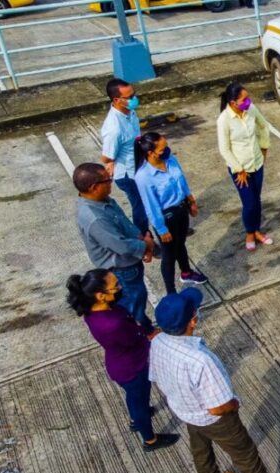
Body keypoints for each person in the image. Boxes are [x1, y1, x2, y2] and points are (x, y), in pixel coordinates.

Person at [149, 288, 280, 473]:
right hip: (215, 419)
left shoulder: (157, 342)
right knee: (245, 455)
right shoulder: (201, 360)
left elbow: (155, 376)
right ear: (193, 321)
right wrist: (234, 404)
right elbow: (218, 407)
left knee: (201, 453)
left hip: (186, 412)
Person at [65, 269, 179, 452]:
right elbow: (135, 337)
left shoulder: (93, 311)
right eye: (115, 286)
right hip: (133, 368)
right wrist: (149, 336)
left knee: (134, 399)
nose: (119, 288)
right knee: (140, 402)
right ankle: (150, 440)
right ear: (101, 295)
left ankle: (136, 420)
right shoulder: (112, 324)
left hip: (119, 365)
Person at [74, 162, 155, 330]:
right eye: (107, 180)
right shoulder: (95, 218)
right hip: (121, 270)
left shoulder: (103, 200)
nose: (111, 182)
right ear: (94, 187)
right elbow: (121, 246)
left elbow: (124, 223)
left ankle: (146, 327)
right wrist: (144, 245)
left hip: (131, 262)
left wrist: (143, 245)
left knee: (139, 298)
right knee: (133, 304)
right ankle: (144, 332)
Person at [134, 132, 207, 294]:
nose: (167, 151)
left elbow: (182, 180)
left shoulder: (170, 160)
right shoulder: (143, 176)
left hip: (181, 209)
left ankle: (186, 272)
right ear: (150, 153)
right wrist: (161, 229)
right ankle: (171, 292)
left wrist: (191, 201)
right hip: (167, 217)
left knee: (180, 243)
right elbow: (151, 206)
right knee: (168, 255)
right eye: (162, 149)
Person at [217, 82, 274, 252]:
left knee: (256, 200)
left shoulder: (251, 110)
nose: (248, 101)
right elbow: (224, 149)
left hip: (257, 163)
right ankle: (250, 232)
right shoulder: (224, 120)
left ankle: (256, 230)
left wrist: (264, 147)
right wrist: (238, 169)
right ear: (233, 102)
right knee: (249, 203)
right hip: (240, 170)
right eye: (244, 99)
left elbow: (264, 126)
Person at [101, 78, 150, 237]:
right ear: (117, 100)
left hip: (140, 165)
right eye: (130, 97)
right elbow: (107, 157)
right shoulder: (114, 128)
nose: (134, 99)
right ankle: (143, 237)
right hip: (127, 174)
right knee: (140, 205)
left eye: (134, 94)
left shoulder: (129, 111)